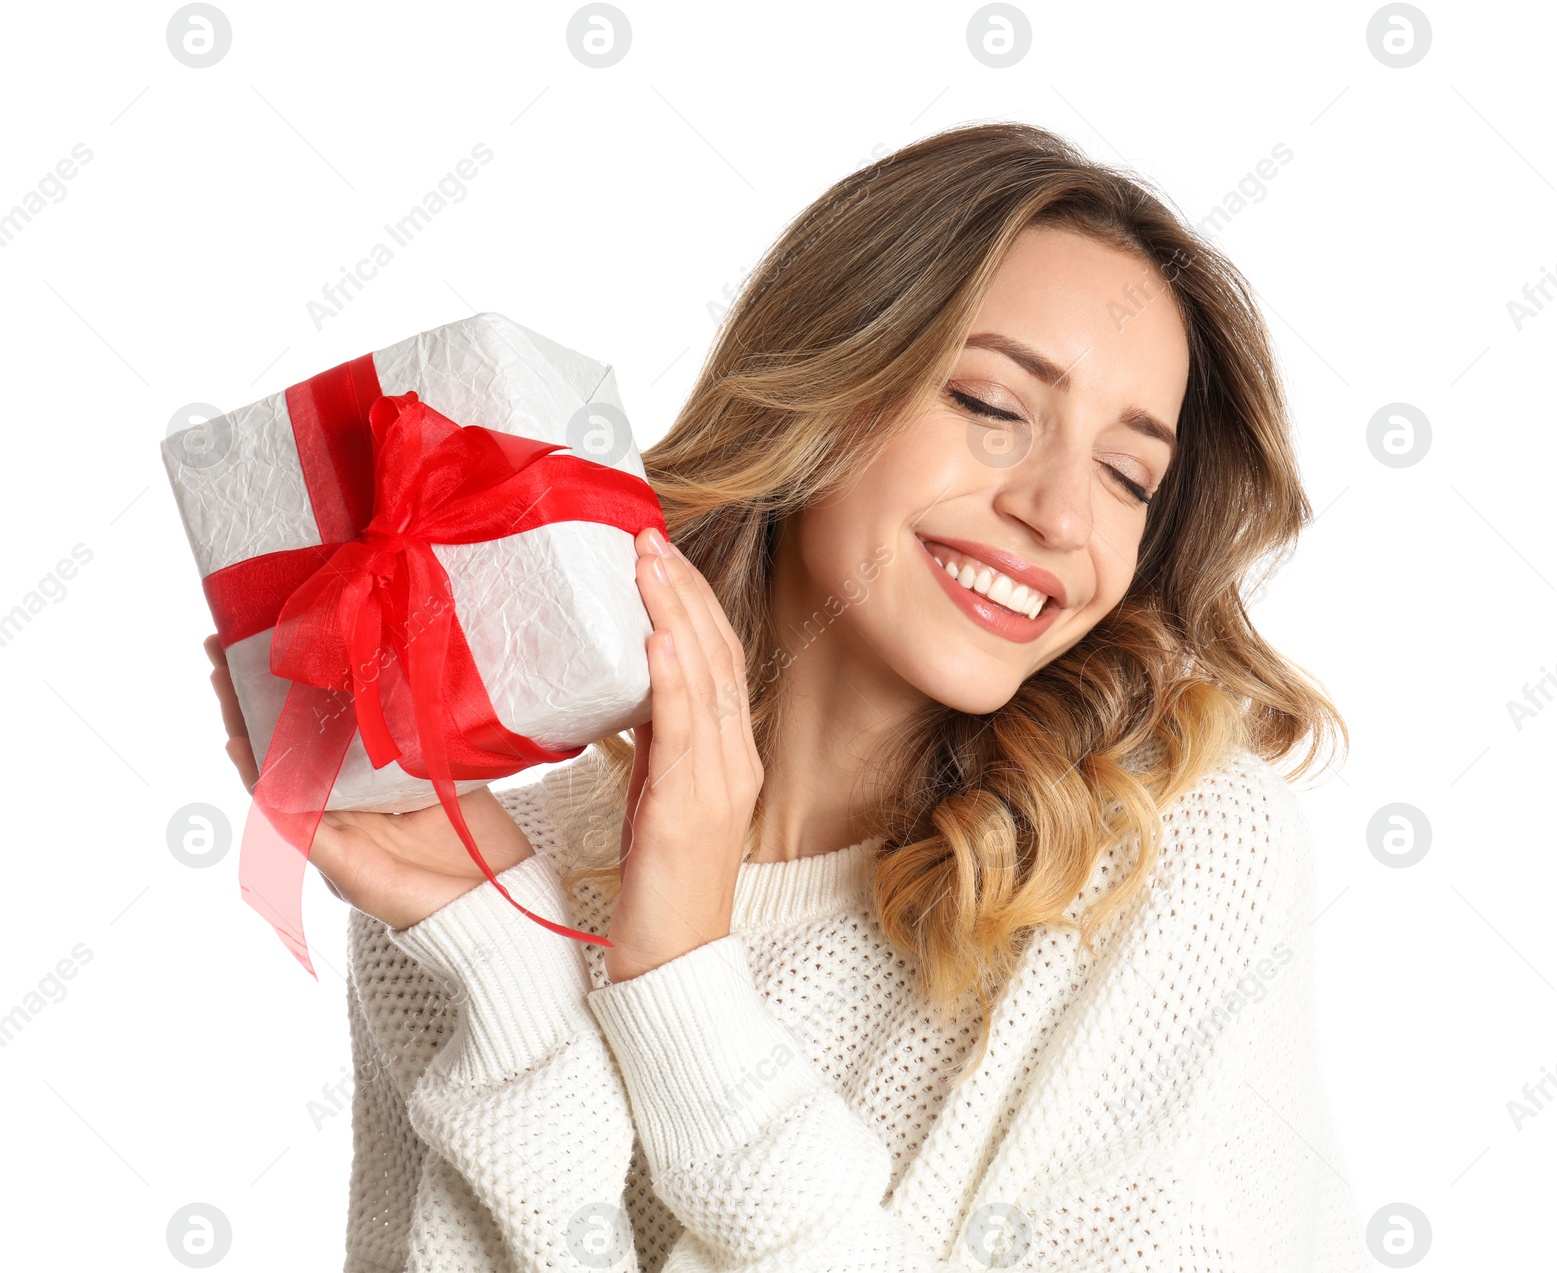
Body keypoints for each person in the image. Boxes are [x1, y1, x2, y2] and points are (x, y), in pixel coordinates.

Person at [207, 121, 1370, 1271]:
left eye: (1128, 476)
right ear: (826, 388)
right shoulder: (495, 875)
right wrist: (512, 988)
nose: (1062, 517)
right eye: (992, 406)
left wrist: (683, 979)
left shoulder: (1167, 858)